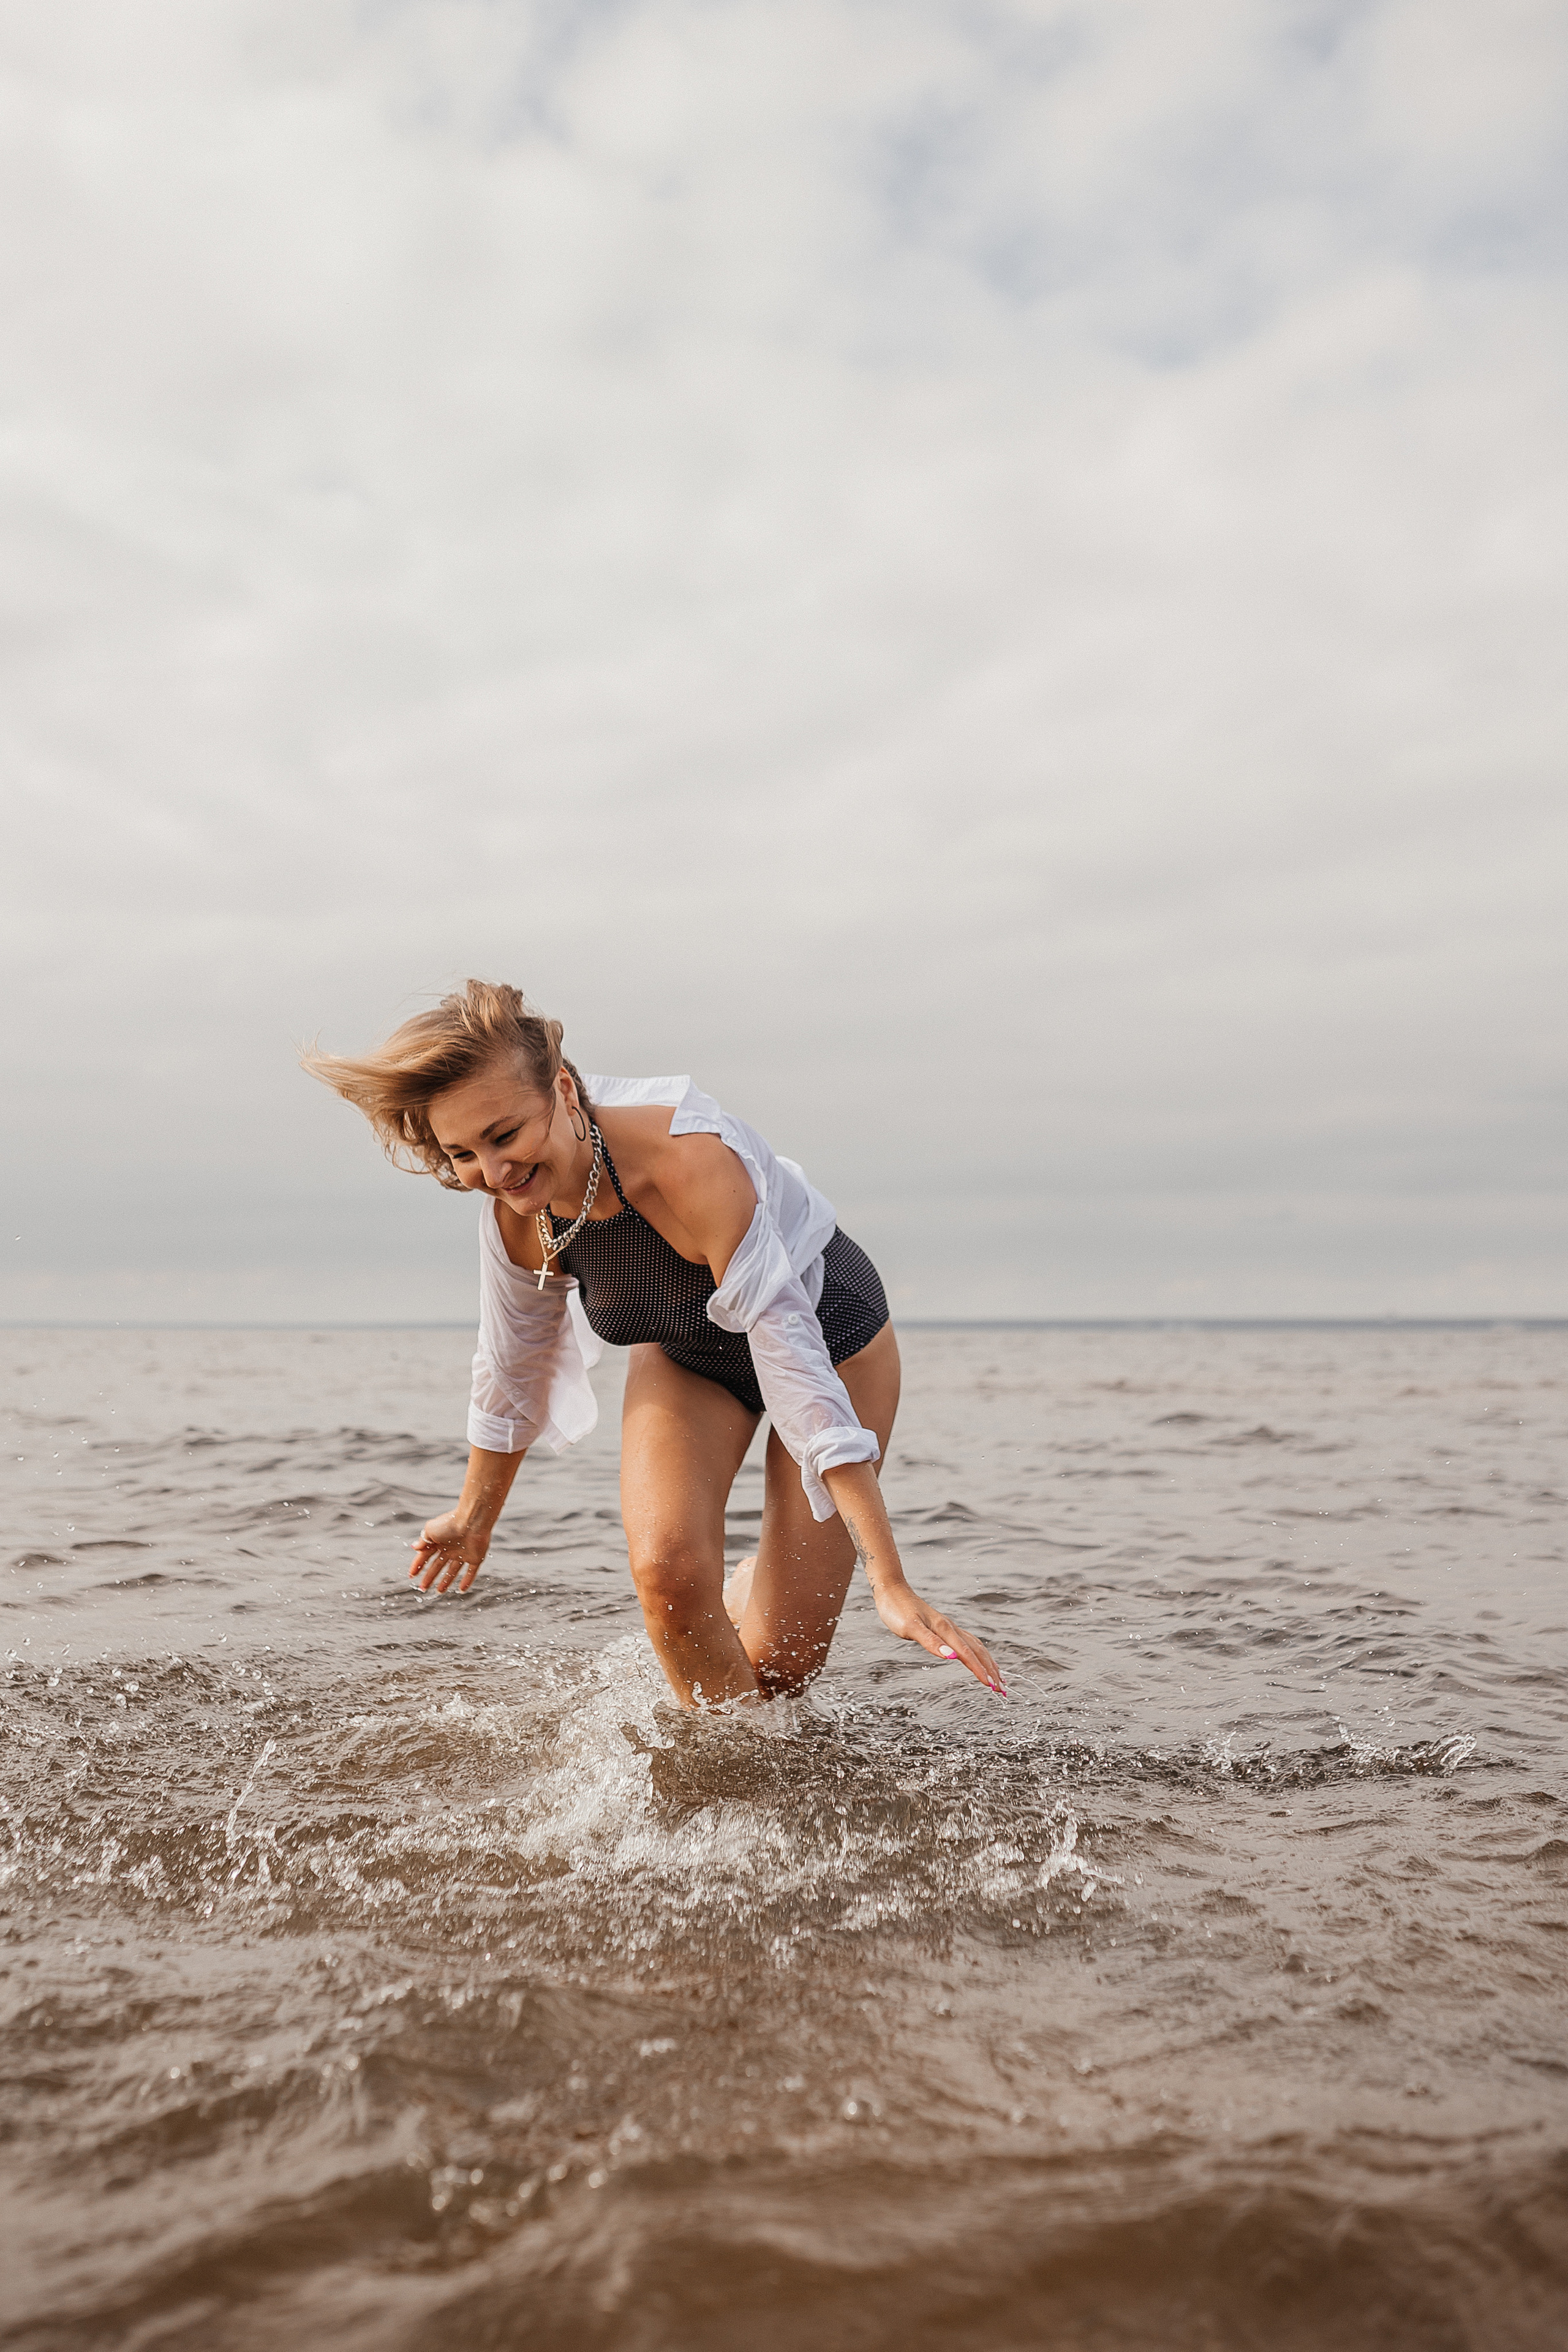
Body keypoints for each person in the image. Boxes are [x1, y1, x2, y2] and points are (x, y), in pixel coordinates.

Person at [304, 981, 1003, 1708]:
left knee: (783, 1666)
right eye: (464, 1153)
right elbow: (513, 1363)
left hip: (830, 1347)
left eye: (505, 1135)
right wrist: (473, 1518)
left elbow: (792, 1364)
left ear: (564, 1091)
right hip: (685, 1351)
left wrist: (888, 1582)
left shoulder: (689, 1161)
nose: (495, 1173)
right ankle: (716, 1792)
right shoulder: (515, 1216)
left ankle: (754, 1596)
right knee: (668, 1579)